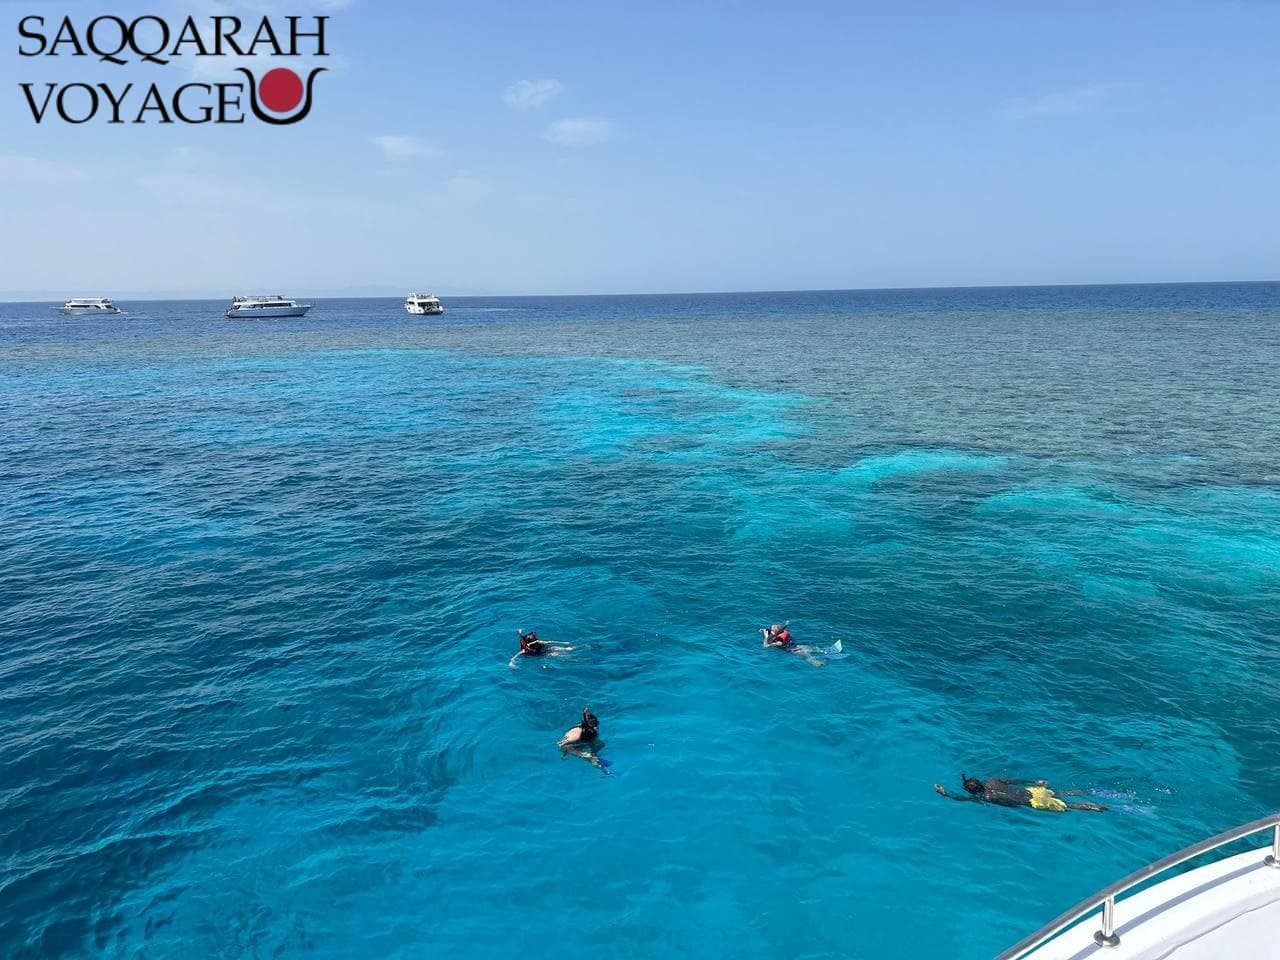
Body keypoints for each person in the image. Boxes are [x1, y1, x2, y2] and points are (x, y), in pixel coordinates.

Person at [934, 773, 1107, 812]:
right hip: (1032, 791)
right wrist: (1035, 782)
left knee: (1068, 806)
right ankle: (1089, 791)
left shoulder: (985, 797)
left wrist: (945, 793)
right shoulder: (992, 781)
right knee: (1061, 794)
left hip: (1031, 802)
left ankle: (1094, 807)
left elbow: (962, 799)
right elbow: (1014, 781)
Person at [760, 620, 831, 667]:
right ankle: (825, 651)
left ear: (773, 633)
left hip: (793, 650)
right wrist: (786, 624)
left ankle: (817, 663)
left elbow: (765, 646)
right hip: (796, 646)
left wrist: (766, 636)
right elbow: (781, 629)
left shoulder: (779, 641)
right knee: (809, 648)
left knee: (807, 657)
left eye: (771, 628)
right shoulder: (782, 632)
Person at [509, 628, 574, 667]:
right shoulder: (525, 650)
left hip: (541, 651)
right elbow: (514, 657)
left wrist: (564, 643)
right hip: (538, 655)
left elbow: (550, 642)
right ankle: (569, 658)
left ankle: (567, 649)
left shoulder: (538, 642)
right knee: (552, 654)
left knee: (553, 648)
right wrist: (511, 663)